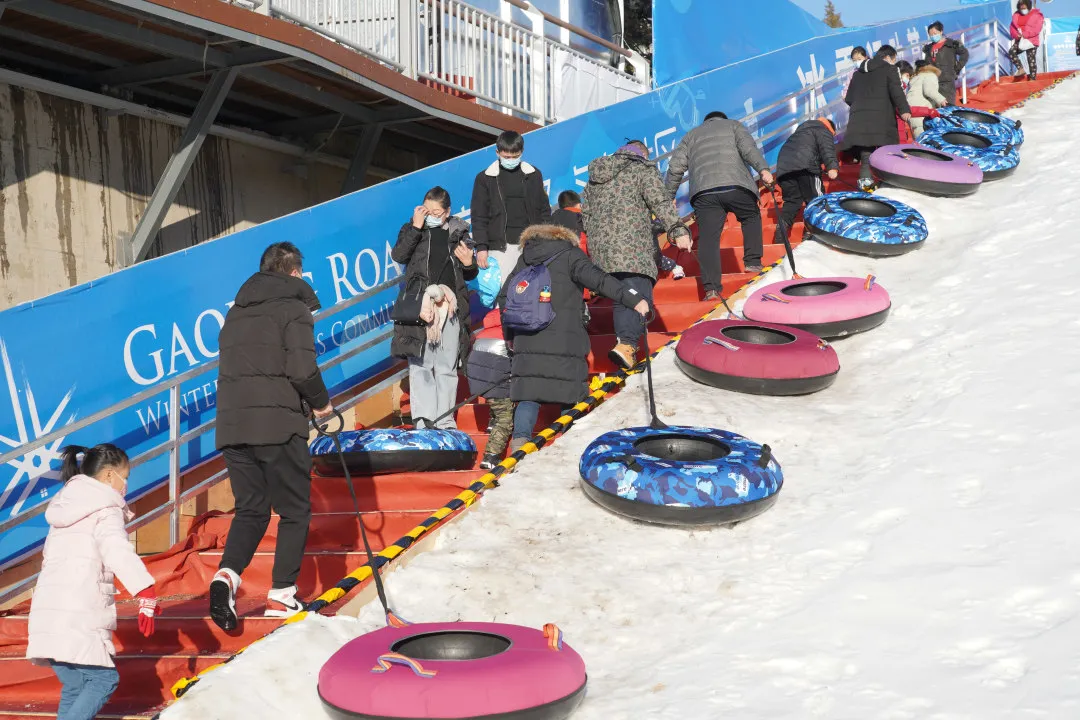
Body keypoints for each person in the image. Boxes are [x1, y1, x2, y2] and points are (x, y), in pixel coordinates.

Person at [211, 241, 334, 630]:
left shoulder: (236, 314)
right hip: (277, 425)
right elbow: (301, 369)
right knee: (295, 509)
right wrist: (321, 404)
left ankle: (226, 576)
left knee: (251, 508)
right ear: (295, 272)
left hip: (232, 427)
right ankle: (282, 595)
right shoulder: (293, 308)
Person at [26, 444, 158, 720]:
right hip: (79, 610)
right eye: (125, 476)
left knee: (75, 685)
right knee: (102, 681)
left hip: (47, 612)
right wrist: (144, 588)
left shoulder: (65, 507)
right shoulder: (105, 508)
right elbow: (115, 548)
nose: (125, 485)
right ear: (110, 476)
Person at [498, 224, 649, 453]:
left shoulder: (524, 259)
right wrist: (633, 299)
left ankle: (519, 448)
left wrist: (510, 335)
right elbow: (599, 280)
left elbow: (505, 297)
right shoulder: (570, 255)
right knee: (570, 394)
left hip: (526, 339)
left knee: (528, 394)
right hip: (565, 339)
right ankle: (567, 449)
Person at [582, 140, 692, 368]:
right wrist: (678, 229)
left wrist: (595, 246)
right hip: (633, 248)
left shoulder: (595, 177)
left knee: (621, 294)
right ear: (642, 153)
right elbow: (660, 202)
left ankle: (626, 345)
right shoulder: (642, 169)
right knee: (636, 295)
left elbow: (586, 215)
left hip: (603, 251)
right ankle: (627, 345)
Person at [392, 187, 478, 429]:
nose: (431, 215)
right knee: (420, 365)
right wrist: (417, 227)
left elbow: (469, 273)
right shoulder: (412, 229)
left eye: (437, 212)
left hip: (450, 306)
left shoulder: (459, 232)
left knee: (446, 365)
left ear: (447, 212)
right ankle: (423, 420)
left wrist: (469, 263)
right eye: (427, 210)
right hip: (421, 305)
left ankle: (445, 420)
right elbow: (399, 255)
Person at [664, 111, 774, 300]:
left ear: (706, 121)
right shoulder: (734, 125)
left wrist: (668, 195)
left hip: (704, 192)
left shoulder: (691, 135)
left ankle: (711, 289)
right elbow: (749, 149)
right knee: (750, 216)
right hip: (736, 185)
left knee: (708, 238)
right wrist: (763, 169)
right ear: (722, 118)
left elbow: (675, 167)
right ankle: (752, 262)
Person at [470, 130, 552, 286]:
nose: (511, 160)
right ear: (497, 152)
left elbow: (544, 211)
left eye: (515, 156)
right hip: (501, 248)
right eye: (506, 157)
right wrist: (481, 247)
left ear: (522, 152)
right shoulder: (485, 178)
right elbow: (479, 216)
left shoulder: (534, 175)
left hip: (530, 245)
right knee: (503, 294)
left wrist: (544, 240)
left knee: (531, 292)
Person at [842, 46, 911, 191]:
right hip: (882, 119)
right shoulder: (890, 70)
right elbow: (897, 92)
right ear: (887, 58)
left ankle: (866, 188)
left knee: (866, 154)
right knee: (887, 152)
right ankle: (889, 187)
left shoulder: (857, 74)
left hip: (859, 121)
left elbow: (849, 98)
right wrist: (904, 110)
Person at [773, 117, 838, 244]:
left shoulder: (798, 134)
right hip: (806, 168)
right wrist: (832, 167)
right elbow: (827, 149)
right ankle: (811, 234)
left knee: (792, 202)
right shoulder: (822, 130)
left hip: (785, 169)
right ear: (830, 128)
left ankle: (780, 234)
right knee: (817, 201)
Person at [466, 311, 513, 469]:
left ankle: (491, 424)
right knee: (505, 418)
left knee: (495, 401)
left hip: (477, 377)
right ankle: (491, 456)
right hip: (496, 375)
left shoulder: (483, 332)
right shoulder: (510, 333)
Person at [922, 21, 969, 105]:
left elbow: (965, 54)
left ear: (941, 31)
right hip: (933, 82)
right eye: (931, 34)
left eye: (935, 33)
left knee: (948, 107)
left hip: (947, 81)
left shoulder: (952, 44)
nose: (933, 36)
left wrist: (957, 67)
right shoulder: (928, 48)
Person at [907, 60, 948, 137]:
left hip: (912, 113)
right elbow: (929, 90)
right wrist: (942, 100)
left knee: (919, 139)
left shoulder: (914, 79)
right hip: (923, 113)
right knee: (926, 141)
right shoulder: (930, 75)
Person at [1009, 0, 1045, 81]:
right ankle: (1020, 69)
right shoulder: (1016, 15)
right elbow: (1012, 29)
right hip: (1020, 39)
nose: (1023, 9)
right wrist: (1016, 35)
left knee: (1031, 59)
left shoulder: (1037, 15)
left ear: (1028, 6)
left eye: (1024, 7)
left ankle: (1032, 79)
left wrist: (1025, 34)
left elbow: (1037, 29)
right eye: (1021, 8)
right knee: (1012, 52)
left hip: (1032, 40)